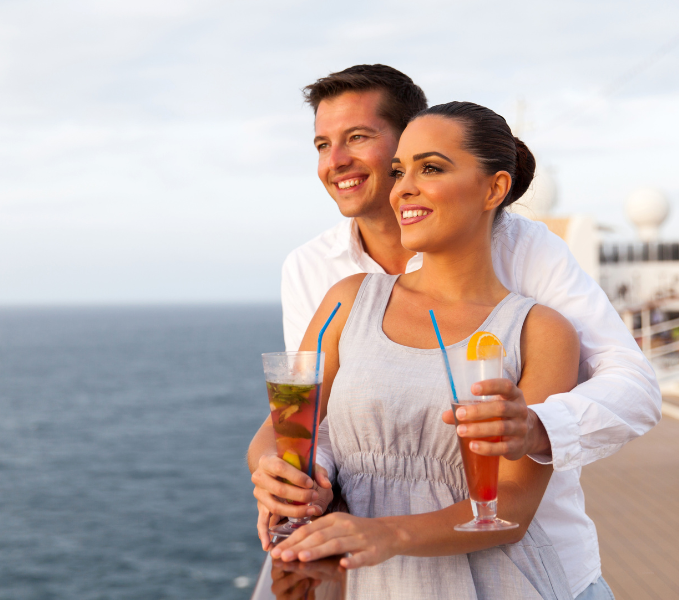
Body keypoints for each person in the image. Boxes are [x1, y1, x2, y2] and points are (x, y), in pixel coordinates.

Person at [249, 65, 658, 598]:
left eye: (358, 138)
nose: (336, 161)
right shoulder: (331, 285)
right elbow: (298, 422)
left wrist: (535, 427)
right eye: (323, 143)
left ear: (493, 189)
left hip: (520, 566)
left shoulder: (535, 295)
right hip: (365, 568)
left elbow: (628, 385)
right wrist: (284, 480)